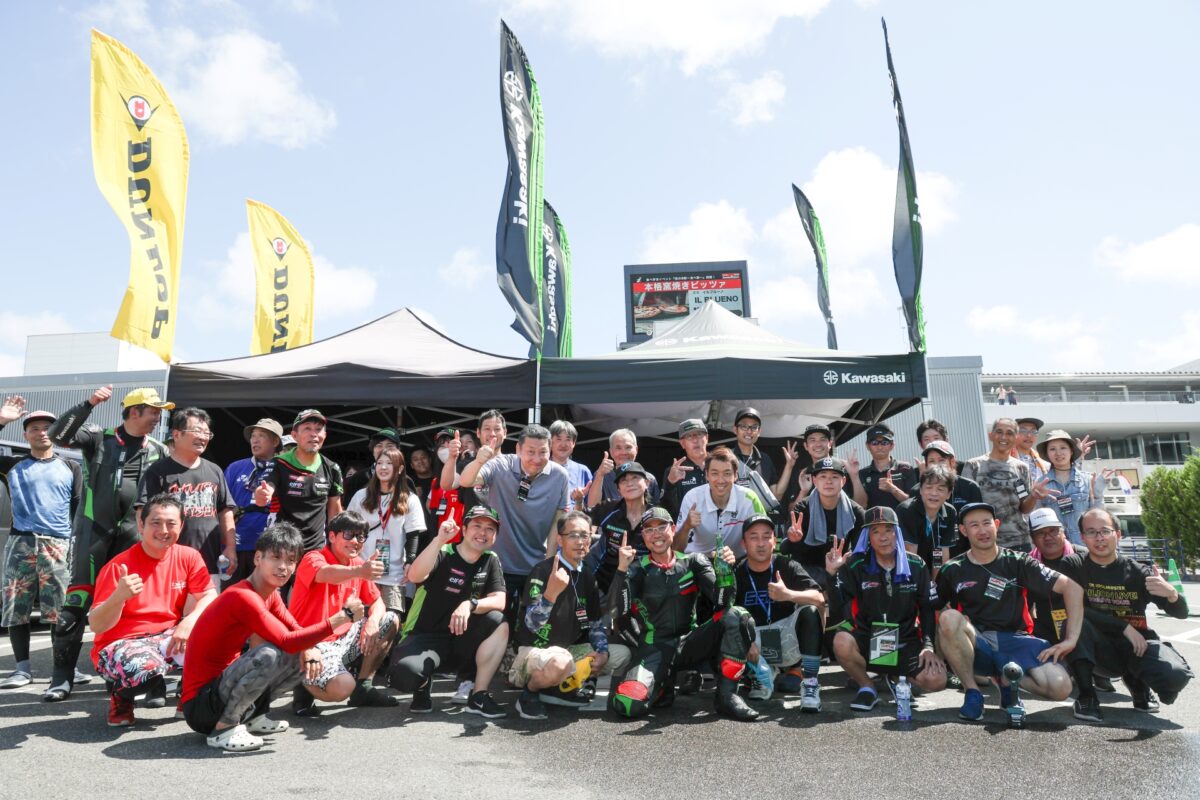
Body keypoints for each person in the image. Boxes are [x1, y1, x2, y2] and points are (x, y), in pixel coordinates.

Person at [180, 523, 366, 752]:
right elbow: (287, 640)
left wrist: (310, 648)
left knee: (300, 654)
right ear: (258, 558)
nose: (283, 567)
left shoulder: (270, 593)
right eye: (275, 558)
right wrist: (342, 617)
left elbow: (294, 629)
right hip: (201, 705)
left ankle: (253, 716)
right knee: (268, 654)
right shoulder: (242, 596)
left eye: (290, 560)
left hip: (221, 690)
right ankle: (224, 728)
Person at [46, 384, 172, 702]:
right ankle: (60, 679)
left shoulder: (159, 450)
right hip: (93, 531)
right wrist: (88, 403)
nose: (158, 417)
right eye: (153, 411)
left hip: (133, 535)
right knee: (75, 606)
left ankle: (132, 678)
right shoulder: (98, 437)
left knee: (134, 606)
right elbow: (57, 435)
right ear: (134, 411)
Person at [934, 502, 1083, 727]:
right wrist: (934, 649)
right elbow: (934, 606)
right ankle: (972, 692)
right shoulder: (952, 569)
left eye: (986, 523)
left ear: (996, 525)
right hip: (978, 643)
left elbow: (1073, 588)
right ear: (963, 531)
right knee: (949, 618)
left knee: (1061, 687)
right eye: (974, 525)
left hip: (1016, 641)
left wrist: (1070, 640)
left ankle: (1007, 680)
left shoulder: (1019, 561)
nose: (982, 530)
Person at [606, 507, 759, 721]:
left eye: (661, 527)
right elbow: (616, 610)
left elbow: (723, 602)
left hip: (691, 642)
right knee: (627, 704)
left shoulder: (693, 561)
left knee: (737, 616)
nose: (656, 534)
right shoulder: (637, 569)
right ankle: (662, 685)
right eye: (649, 530)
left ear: (673, 529)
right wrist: (621, 570)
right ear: (643, 536)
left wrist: (725, 574)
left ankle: (727, 696)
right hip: (655, 647)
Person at [88, 494, 216, 727]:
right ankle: (122, 696)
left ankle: (189, 698)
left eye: (171, 523)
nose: (163, 530)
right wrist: (119, 597)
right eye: (156, 523)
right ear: (141, 525)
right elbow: (96, 625)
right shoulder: (119, 566)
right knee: (146, 670)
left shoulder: (189, 556)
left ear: (181, 526)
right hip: (121, 642)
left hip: (166, 636)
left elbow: (209, 595)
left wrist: (189, 622)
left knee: (217, 643)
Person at [389, 506, 510, 718]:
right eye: (477, 526)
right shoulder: (444, 551)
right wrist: (439, 540)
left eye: (490, 529)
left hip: (462, 639)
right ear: (464, 530)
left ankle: (479, 696)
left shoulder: (490, 559)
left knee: (498, 621)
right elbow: (415, 576)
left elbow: (500, 600)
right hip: (427, 637)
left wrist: (469, 604)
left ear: (495, 536)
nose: (483, 532)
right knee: (404, 675)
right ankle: (422, 684)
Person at [510, 511, 632, 719]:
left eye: (585, 535)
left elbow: (594, 623)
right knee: (560, 662)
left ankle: (556, 689)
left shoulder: (587, 575)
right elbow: (531, 624)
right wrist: (550, 595)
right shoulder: (543, 571)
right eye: (573, 535)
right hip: (532, 652)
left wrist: (602, 651)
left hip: (566, 651)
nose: (580, 541)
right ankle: (529, 693)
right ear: (560, 540)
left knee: (621, 655)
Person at [1073, 508, 1192, 712]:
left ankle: (1138, 685)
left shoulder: (1138, 572)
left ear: (1118, 534)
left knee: (1175, 676)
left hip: (1136, 647)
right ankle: (1086, 696)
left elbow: (1181, 613)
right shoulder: (1074, 565)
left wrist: (1172, 594)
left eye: (1105, 531)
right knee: (1075, 621)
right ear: (1083, 537)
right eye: (1091, 532)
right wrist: (1123, 627)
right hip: (1097, 651)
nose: (1099, 537)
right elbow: (1074, 609)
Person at [828, 507, 946, 711]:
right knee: (841, 641)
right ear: (868, 537)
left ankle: (896, 679)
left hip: (905, 640)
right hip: (867, 638)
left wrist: (928, 646)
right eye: (875, 531)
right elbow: (838, 604)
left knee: (937, 680)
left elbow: (927, 608)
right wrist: (833, 573)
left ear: (897, 533)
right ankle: (867, 687)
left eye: (888, 530)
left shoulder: (916, 564)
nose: (883, 537)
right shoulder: (856, 564)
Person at [0, 400, 82, 692]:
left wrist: (76, 545)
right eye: (34, 428)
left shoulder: (70, 466)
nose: (42, 432)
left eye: (48, 427)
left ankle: (65, 668)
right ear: (26, 435)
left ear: (57, 432)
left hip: (58, 543)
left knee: (59, 609)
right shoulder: (13, 465)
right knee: (16, 607)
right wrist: (2, 420)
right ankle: (22, 669)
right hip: (20, 541)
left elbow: (77, 509)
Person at [287, 510, 400, 712]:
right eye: (348, 535)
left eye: (360, 536)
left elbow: (378, 602)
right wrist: (359, 571)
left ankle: (364, 688)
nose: (355, 541)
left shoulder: (357, 564)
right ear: (332, 536)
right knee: (342, 687)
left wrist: (372, 622)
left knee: (390, 619)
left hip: (344, 640)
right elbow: (326, 574)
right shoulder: (313, 558)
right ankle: (302, 681)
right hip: (312, 643)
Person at [459, 423, 569, 627]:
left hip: (535, 564)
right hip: (497, 563)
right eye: (530, 452)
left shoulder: (560, 475)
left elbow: (558, 520)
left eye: (543, 452)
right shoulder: (500, 465)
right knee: (494, 623)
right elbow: (466, 481)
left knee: (532, 626)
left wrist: (547, 564)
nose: (537, 458)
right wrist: (479, 461)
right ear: (518, 449)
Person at [137, 408, 236, 588]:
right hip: (167, 562)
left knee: (206, 605)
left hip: (208, 563)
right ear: (176, 434)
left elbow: (225, 511)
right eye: (197, 431)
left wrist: (230, 547)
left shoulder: (214, 471)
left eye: (206, 433)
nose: (203, 437)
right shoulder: (158, 471)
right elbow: (142, 512)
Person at [1025, 508, 1107, 722]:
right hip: (1048, 630)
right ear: (1032, 538)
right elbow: (1024, 608)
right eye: (1041, 533)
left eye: (1053, 531)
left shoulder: (1085, 557)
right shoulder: (1027, 564)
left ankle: (1091, 688)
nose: (1048, 537)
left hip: (1086, 629)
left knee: (1081, 625)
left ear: (1063, 531)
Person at [735, 514, 825, 706]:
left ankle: (810, 682)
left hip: (786, 638)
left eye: (766, 536)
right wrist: (746, 640)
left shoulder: (786, 564)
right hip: (753, 643)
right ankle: (761, 674)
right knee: (729, 622)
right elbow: (726, 612)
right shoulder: (737, 570)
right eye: (754, 537)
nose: (761, 543)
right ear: (744, 543)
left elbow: (819, 598)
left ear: (774, 541)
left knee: (810, 610)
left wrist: (788, 595)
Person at [253, 409, 344, 555]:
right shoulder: (278, 463)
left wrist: (337, 548)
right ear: (294, 435)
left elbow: (335, 511)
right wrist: (262, 494)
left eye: (318, 429)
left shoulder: (332, 468)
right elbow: (266, 489)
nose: (313, 434)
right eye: (307, 428)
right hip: (281, 548)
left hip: (316, 550)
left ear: (325, 435)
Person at [347, 447, 427, 613]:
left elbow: (413, 535)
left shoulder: (410, 499)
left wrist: (410, 561)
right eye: (379, 463)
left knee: (391, 619)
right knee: (360, 618)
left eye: (389, 463)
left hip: (395, 574)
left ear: (400, 468)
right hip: (363, 570)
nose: (383, 467)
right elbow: (348, 529)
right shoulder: (361, 496)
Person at [959, 418, 1054, 553]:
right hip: (984, 542)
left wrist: (1033, 496)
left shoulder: (1021, 468)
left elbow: (1024, 508)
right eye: (999, 432)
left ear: (1016, 438)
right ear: (991, 435)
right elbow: (964, 507)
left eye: (1009, 433)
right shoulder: (973, 465)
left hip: (1019, 541)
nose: (1004, 437)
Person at [781, 457, 866, 583]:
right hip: (806, 571)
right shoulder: (802, 509)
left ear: (843, 481)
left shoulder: (856, 512)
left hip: (842, 569)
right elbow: (784, 550)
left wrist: (845, 561)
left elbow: (861, 552)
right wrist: (793, 540)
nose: (828, 481)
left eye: (834, 477)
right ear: (814, 481)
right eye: (823, 476)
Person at [674, 447, 766, 559]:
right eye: (715, 473)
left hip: (736, 561)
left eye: (727, 473)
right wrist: (686, 526)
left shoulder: (749, 498)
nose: (721, 480)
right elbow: (676, 549)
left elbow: (765, 539)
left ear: (735, 475)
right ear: (707, 475)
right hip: (697, 562)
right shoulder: (692, 498)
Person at [224, 418, 283, 584]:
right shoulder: (235, 468)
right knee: (232, 594)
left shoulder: (283, 469)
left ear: (275, 441)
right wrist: (228, 545)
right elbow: (223, 507)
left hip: (270, 547)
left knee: (264, 594)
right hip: (236, 544)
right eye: (253, 436)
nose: (255, 440)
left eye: (261, 435)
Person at [587, 461, 654, 593]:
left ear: (647, 483)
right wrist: (578, 501)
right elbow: (582, 518)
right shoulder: (609, 509)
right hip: (605, 585)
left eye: (635, 477)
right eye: (623, 480)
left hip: (645, 588)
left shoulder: (656, 515)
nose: (629, 483)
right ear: (619, 490)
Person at [1036, 429, 1104, 547]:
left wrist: (1098, 493)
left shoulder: (1087, 479)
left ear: (1071, 451)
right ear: (1047, 454)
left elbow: (1097, 515)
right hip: (1055, 548)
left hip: (1084, 547)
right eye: (1052, 449)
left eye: (1063, 448)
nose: (1058, 453)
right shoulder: (1041, 483)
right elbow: (1037, 519)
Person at [895, 464, 961, 573]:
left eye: (940, 489)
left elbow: (942, 552)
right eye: (929, 487)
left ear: (949, 494)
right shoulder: (906, 510)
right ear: (920, 490)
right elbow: (910, 555)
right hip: (907, 570)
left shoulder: (950, 512)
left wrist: (937, 582)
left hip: (931, 566)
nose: (934, 493)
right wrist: (920, 582)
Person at [730, 407, 797, 502]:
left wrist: (789, 466)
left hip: (760, 511)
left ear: (759, 432)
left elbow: (776, 495)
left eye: (754, 427)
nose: (749, 431)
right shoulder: (726, 458)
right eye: (744, 426)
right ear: (735, 429)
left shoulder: (765, 459)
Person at [587, 428, 661, 508]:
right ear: (611, 452)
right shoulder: (602, 476)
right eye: (618, 448)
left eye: (628, 447)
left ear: (636, 449)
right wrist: (600, 475)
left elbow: (656, 508)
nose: (623, 452)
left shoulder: (649, 478)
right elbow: (592, 506)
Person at [851, 423, 917, 511]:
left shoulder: (905, 469)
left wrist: (893, 489)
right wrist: (854, 476)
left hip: (901, 520)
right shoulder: (862, 474)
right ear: (867, 446)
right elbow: (860, 506)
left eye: (884, 442)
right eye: (874, 443)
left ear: (892, 445)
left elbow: (914, 503)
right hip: (873, 520)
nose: (879, 447)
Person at [341, 427, 404, 509]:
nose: (384, 449)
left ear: (398, 450)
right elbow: (348, 511)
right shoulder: (358, 478)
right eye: (379, 445)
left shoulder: (405, 479)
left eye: (389, 446)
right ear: (373, 450)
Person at [660, 418, 709, 519]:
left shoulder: (719, 464)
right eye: (689, 436)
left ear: (707, 438)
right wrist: (670, 483)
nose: (695, 440)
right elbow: (665, 510)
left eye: (699, 434)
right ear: (682, 443)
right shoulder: (675, 470)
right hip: (687, 526)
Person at [920, 440, 982, 514]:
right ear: (926, 464)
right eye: (931, 461)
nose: (937, 465)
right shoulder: (918, 490)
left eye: (941, 460)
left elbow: (977, 516)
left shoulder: (970, 487)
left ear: (952, 462)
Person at [548, 420, 593, 511]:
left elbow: (592, 506)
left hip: (574, 518)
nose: (563, 444)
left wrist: (579, 500)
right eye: (558, 439)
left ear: (574, 443)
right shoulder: (539, 468)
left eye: (568, 439)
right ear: (550, 442)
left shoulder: (583, 470)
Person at [1014, 417, 1049, 481]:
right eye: (1023, 431)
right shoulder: (1004, 459)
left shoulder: (1044, 463)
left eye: (1033, 431)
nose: (1029, 435)